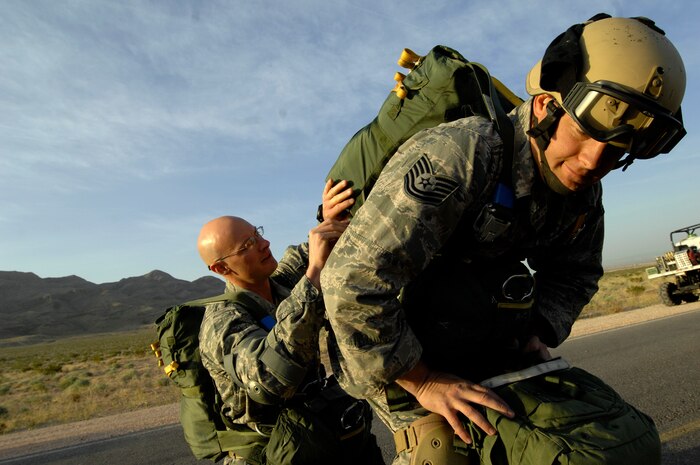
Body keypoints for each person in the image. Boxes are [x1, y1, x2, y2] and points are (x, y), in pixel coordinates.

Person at [320, 14, 686, 465]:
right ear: (544, 107)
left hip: (478, 334)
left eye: (617, 151)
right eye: (584, 133)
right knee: (442, 455)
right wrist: (422, 380)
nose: (594, 161)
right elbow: (351, 283)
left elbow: (578, 272)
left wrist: (539, 329)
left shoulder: (583, 194)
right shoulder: (461, 155)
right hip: (388, 340)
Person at [196, 181, 383, 464]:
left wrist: (330, 219)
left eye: (257, 234)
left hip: (314, 436)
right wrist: (314, 276)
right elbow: (268, 380)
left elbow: (317, 248)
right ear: (221, 268)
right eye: (247, 245)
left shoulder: (279, 283)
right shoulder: (222, 320)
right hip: (273, 453)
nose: (264, 244)